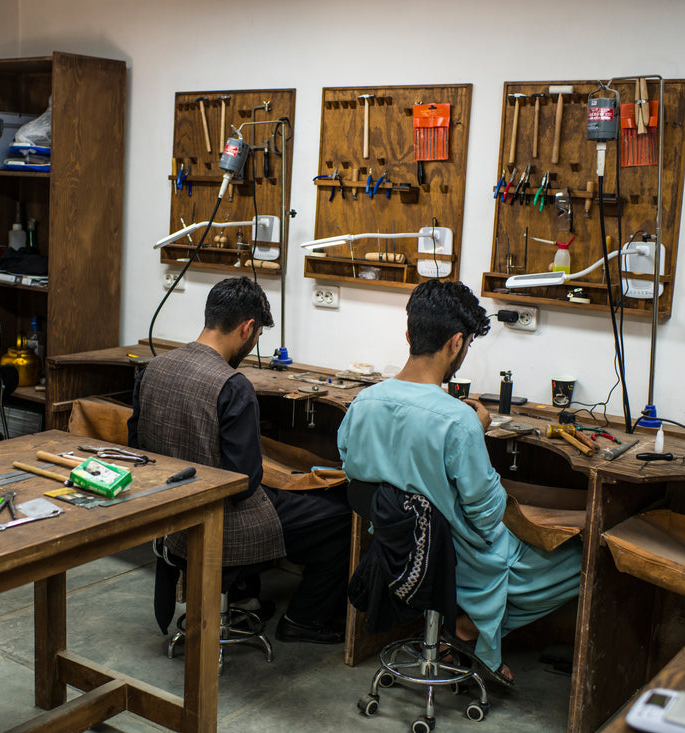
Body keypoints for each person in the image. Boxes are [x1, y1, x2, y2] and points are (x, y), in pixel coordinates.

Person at [338, 280, 581, 685]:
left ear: (408, 334)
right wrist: (478, 429)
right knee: (582, 560)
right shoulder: (458, 420)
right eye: (466, 345)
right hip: (457, 559)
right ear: (456, 343)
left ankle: (462, 627)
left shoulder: (363, 403)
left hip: (395, 548)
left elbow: (354, 473)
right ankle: (470, 628)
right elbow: (487, 521)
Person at [128, 277, 352, 644]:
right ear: (248, 327)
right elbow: (244, 481)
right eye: (257, 336)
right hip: (224, 524)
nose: (252, 344)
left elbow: (138, 446)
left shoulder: (154, 368)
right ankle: (304, 619)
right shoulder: (232, 385)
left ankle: (244, 592)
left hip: (172, 519)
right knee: (342, 513)